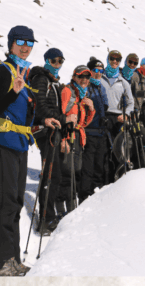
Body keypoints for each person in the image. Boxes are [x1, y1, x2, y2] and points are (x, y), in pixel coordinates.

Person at [0, 25, 37, 276]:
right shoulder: (3, 71)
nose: (25, 47)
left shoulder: (21, 72)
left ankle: (14, 259)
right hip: (3, 143)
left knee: (15, 202)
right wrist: (13, 92)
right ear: (11, 44)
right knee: (5, 202)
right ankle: (3, 263)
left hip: (18, 143)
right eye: (21, 42)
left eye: (30, 43)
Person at [26, 47, 65, 235]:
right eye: (53, 61)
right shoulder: (41, 79)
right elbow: (40, 107)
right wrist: (62, 119)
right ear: (47, 61)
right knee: (50, 174)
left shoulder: (52, 81)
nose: (57, 64)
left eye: (60, 61)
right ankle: (45, 219)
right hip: (44, 131)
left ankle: (49, 216)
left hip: (52, 130)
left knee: (54, 173)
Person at [56, 65, 95, 217]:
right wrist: (63, 138)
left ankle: (71, 204)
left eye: (87, 77)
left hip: (78, 136)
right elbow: (61, 114)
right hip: (67, 134)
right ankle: (61, 206)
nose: (84, 80)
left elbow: (84, 123)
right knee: (67, 171)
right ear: (74, 77)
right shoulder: (67, 91)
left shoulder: (82, 95)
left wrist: (91, 109)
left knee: (76, 171)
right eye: (81, 76)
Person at [80, 58, 110, 202]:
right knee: (87, 167)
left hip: (101, 132)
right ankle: (84, 196)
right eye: (95, 70)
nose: (98, 73)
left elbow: (105, 105)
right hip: (88, 132)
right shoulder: (85, 86)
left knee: (99, 166)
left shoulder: (101, 87)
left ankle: (97, 196)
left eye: (101, 71)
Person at [101, 50, 135, 181]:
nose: (115, 61)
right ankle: (104, 179)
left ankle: (117, 177)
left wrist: (126, 115)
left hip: (117, 118)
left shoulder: (123, 81)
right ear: (107, 59)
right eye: (112, 58)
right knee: (103, 148)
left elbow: (131, 102)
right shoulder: (100, 77)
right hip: (102, 116)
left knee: (117, 148)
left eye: (118, 59)